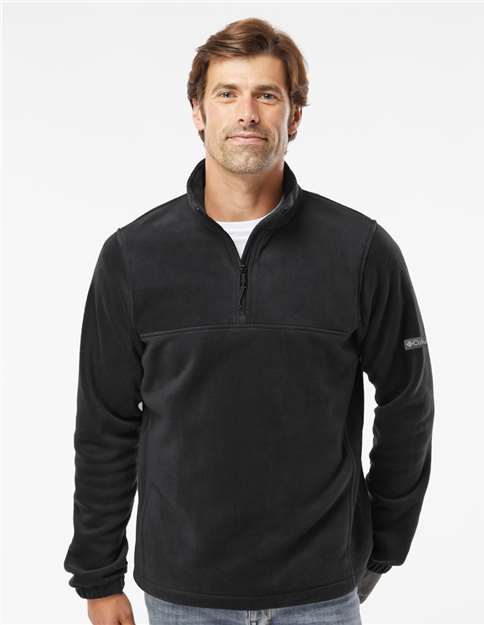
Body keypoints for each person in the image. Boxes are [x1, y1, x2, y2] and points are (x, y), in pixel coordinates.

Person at [63, 17, 435, 625]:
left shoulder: (360, 250)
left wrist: (383, 545)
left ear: (294, 116)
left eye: (267, 94)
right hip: (183, 594)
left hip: (321, 591)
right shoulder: (133, 256)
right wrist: (98, 577)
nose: (247, 113)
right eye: (227, 93)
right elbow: (105, 425)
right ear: (197, 111)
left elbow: (408, 402)